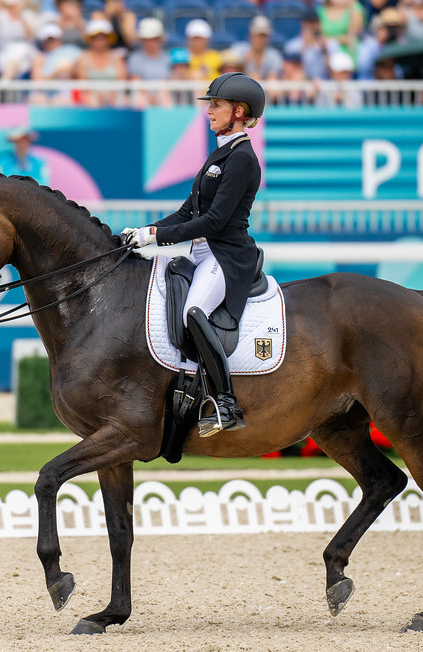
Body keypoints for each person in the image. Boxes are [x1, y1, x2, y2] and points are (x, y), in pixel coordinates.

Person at [120, 73, 265, 437]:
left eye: (215, 105)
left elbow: (214, 222)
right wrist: (144, 233)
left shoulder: (243, 159)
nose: (208, 111)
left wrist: (158, 236)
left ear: (238, 110)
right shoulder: (220, 153)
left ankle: (226, 403)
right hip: (202, 251)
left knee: (192, 311)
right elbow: (188, 212)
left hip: (225, 256)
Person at [73, 18, 126, 106]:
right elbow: (83, 84)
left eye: (102, 38)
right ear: (90, 39)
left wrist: (110, 96)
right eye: (96, 38)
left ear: (108, 39)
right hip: (90, 99)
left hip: (114, 98)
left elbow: (121, 83)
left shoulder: (117, 58)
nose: (99, 41)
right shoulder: (83, 58)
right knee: (90, 100)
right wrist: (97, 97)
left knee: (123, 100)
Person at [0, 0, 38, 80]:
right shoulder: (0, 14)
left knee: (26, 55)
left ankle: (4, 83)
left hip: (25, 55)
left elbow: (30, 38)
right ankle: (5, 83)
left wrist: (21, 16)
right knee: (15, 61)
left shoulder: (26, 15)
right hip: (4, 53)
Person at [29, 22, 80, 104]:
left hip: (66, 95)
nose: (51, 43)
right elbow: (38, 83)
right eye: (48, 40)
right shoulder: (40, 57)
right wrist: (56, 72)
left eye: (54, 40)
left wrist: (70, 70)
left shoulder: (71, 53)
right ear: (43, 42)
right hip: (46, 95)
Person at [127, 17, 170, 106]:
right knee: (140, 97)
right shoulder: (135, 59)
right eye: (146, 39)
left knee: (163, 91)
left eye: (154, 39)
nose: (150, 42)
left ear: (159, 39)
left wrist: (157, 97)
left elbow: (170, 82)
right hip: (142, 99)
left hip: (165, 98)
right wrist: (151, 97)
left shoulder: (168, 58)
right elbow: (136, 81)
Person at [232, 16, 283, 80]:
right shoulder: (238, 50)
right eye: (258, 36)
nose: (261, 40)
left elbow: (273, 78)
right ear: (250, 36)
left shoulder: (274, 55)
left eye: (264, 36)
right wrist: (244, 65)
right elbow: (231, 74)